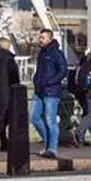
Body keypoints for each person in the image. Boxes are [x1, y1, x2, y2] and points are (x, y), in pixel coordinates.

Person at [31, 29, 67, 158]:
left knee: (50, 120)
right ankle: (47, 143)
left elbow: (63, 71)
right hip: (39, 90)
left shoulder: (57, 53)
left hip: (51, 92)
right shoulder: (41, 53)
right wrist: (35, 79)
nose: (40, 39)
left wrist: (50, 82)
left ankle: (52, 148)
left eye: (44, 37)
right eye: (40, 37)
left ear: (50, 39)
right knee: (34, 118)